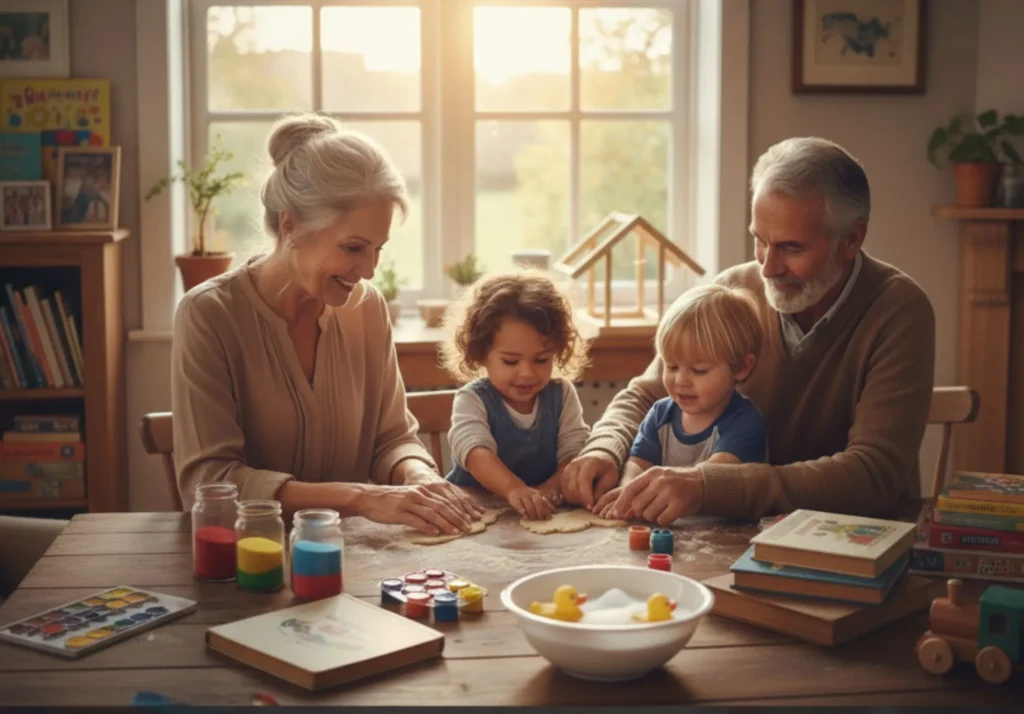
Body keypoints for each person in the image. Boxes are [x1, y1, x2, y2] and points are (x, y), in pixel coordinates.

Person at [562, 136, 936, 523]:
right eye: (760, 241)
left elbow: (873, 474)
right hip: (738, 536)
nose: (768, 267)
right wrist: (604, 448)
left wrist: (711, 486)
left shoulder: (899, 310)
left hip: (858, 543)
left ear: (851, 240)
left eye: (791, 248)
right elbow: (644, 395)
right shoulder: (732, 291)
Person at [171, 112, 484, 537]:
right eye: (353, 248)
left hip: (349, 562)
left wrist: (419, 478)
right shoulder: (209, 315)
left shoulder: (366, 308)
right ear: (290, 225)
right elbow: (210, 483)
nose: (370, 271)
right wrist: (361, 497)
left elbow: (393, 440)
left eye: (377, 249)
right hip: (246, 564)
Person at [593, 283, 766, 521]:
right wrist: (627, 491)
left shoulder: (745, 423)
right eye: (671, 366)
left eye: (699, 370)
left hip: (724, 541)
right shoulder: (660, 414)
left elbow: (713, 473)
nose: (681, 380)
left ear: (742, 367)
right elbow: (638, 464)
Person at [440, 271, 591, 520]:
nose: (527, 373)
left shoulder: (561, 395)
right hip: (475, 511)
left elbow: (574, 454)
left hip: (539, 515)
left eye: (541, 359)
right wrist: (514, 489)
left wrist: (549, 490)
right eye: (510, 361)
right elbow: (475, 452)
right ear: (480, 353)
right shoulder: (472, 399)